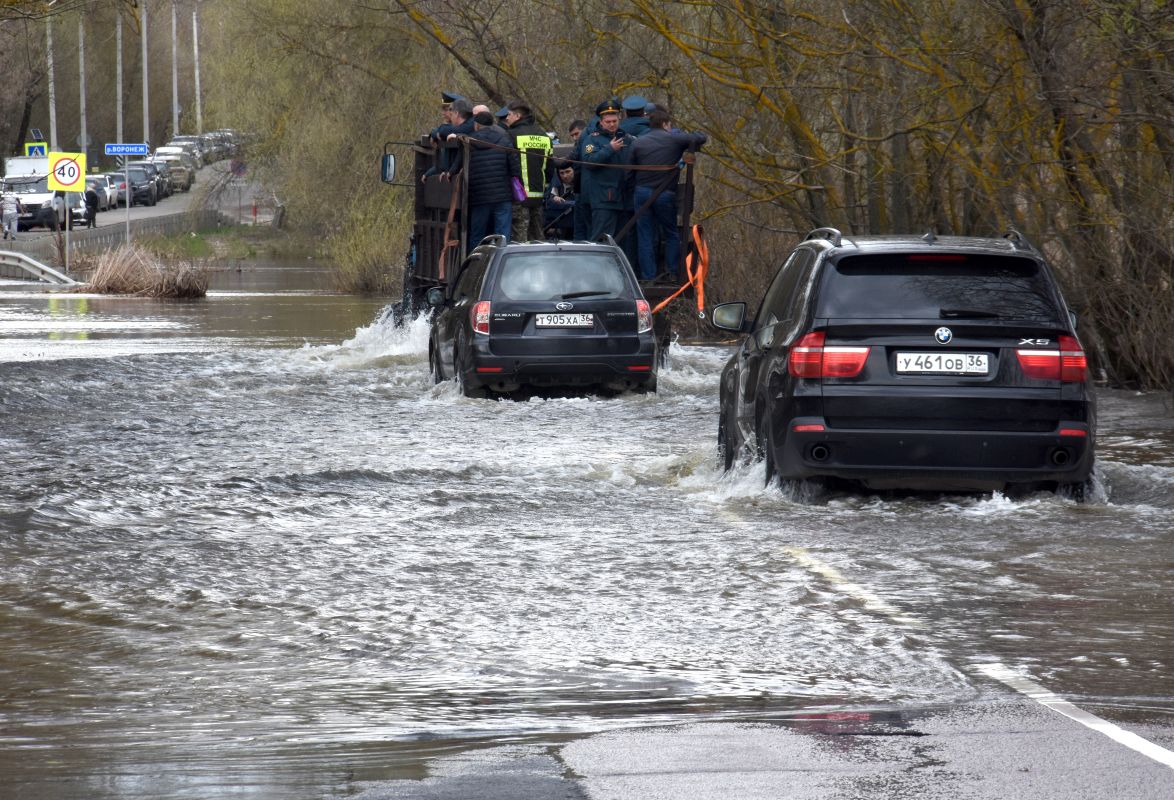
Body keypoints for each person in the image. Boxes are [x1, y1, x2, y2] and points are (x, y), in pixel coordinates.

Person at [629, 108, 707, 281]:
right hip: (665, 193)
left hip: (641, 193)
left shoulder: (639, 143)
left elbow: (629, 171)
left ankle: (648, 276)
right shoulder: (673, 139)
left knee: (645, 236)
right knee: (671, 233)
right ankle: (671, 272)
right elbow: (701, 137)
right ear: (665, 124)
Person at [445, 110, 521, 253]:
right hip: (502, 196)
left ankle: (477, 265)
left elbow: (459, 162)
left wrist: (450, 172)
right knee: (503, 236)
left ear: (477, 125)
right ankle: (501, 265)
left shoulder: (470, 141)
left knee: (477, 237)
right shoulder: (504, 140)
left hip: (479, 197)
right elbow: (515, 170)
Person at [580, 98, 631, 241]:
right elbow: (589, 162)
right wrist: (610, 149)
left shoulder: (626, 138)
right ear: (601, 122)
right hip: (603, 198)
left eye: (614, 121)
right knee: (601, 239)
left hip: (622, 196)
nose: (612, 124)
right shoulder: (592, 139)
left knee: (621, 240)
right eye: (608, 122)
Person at [504, 99, 553, 242]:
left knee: (519, 239)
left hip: (519, 196)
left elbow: (507, 164)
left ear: (518, 116)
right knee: (538, 237)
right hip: (538, 196)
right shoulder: (544, 136)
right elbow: (550, 167)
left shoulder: (511, 135)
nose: (507, 118)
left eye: (509, 115)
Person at [543, 160, 577, 239]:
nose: (565, 176)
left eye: (568, 172)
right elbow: (550, 199)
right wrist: (554, 198)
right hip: (561, 223)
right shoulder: (556, 183)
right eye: (562, 173)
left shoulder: (581, 183)